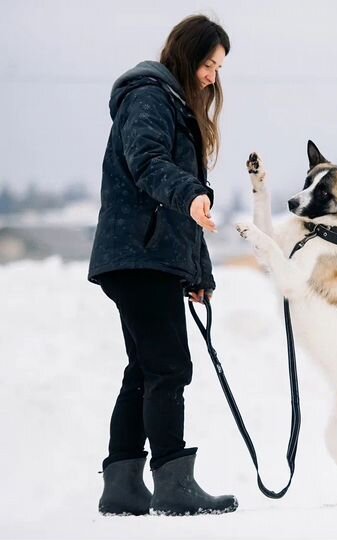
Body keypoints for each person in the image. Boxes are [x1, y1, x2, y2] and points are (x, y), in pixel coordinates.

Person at [87, 15, 237, 516]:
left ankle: (123, 484)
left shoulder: (172, 104)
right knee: (169, 365)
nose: (213, 76)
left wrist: (199, 274)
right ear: (187, 54)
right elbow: (147, 162)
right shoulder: (149, 97)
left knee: (146, 368)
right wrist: (191, 191)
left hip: (145, 256)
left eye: (218, 67)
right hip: (138, 254)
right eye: (209, 63)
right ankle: (173, 481)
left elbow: (187, 214)